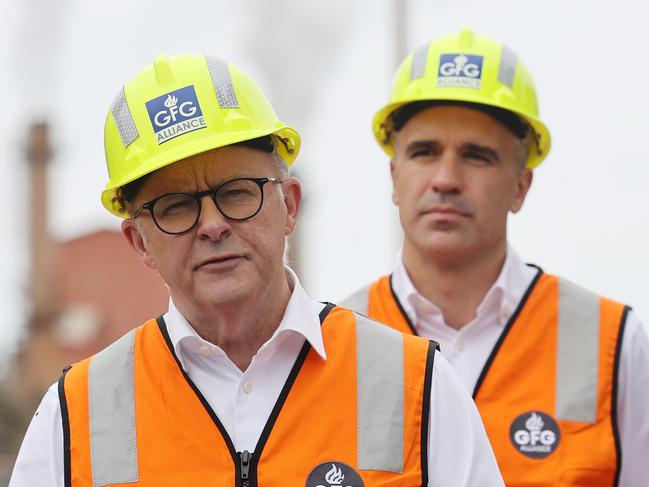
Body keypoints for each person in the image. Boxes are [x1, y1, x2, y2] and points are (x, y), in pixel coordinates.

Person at [10, 53, 504, 486]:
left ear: (289, 205)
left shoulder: (417, 386)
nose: (212, 226)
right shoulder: (75, 415)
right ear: (140, 241)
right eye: (177, 207)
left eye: (236, 193)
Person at [342, 28, 649, 486]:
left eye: (477, 156)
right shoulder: (333, 344)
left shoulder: (611, 343)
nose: (446, 178)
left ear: (521, 186)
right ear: (394, 176)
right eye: (424, 152)